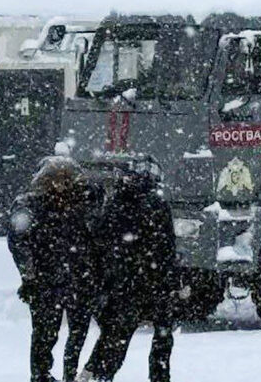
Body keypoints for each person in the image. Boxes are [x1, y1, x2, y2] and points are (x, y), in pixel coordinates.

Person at [79, 160, 178, 382]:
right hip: (153, 279)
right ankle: (159, 377)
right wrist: (169, 278)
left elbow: (101, 240)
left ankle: (99, 373)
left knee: (117, 333)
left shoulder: (116, 203)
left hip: (123, 280)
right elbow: (166, 247)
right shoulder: (157, 204)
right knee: (161, 336)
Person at [6, 157, 98, 382]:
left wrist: (29, 276)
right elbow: (18, 242)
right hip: (66, 277)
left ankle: (50, 374)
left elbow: (19, 243)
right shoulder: (78, 203)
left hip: (62, 278)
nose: (60, 184)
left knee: (51, 332)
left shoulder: (78, 203)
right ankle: (55, 373)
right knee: (58, 332)